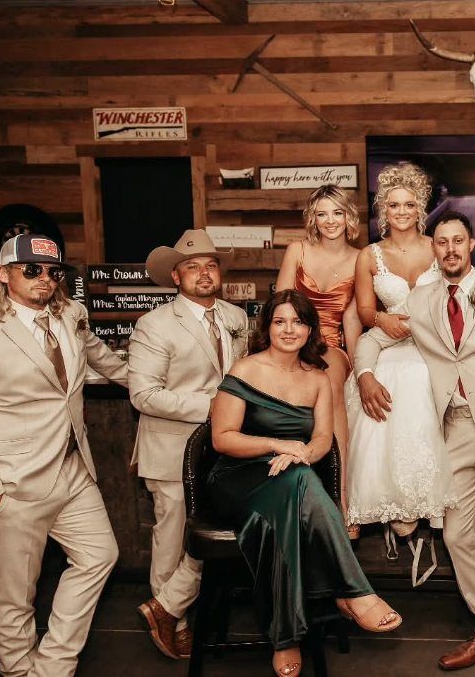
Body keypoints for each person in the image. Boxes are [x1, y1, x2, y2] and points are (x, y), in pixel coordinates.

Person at [355, 213, 475, 677]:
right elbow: (372, 338)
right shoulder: (421, 301)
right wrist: (363, 376)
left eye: (459, 240)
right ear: (433, 249)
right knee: (458, 535)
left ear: (472, 244)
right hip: (452, 429)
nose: (451, 249)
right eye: (443, 242)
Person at [208, 290, 402, 677]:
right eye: (279, 321)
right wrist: (276, 444)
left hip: (290, 473)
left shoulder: (318, 379)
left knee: (295, 485)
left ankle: (286, 637)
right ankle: (352, 591)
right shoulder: (245, 370)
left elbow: (321, 442)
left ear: (310, 329)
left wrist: (298, 455)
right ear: (267, 327)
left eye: (297, 321)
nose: (288, 329)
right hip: (238, 476)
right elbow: (222, 438)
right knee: (299, 481)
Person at [0, 234, 128, 677]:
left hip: (74, 468)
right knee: (15, 592)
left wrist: (149, 383)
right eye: (31, 270)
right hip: (13, 481)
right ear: (3, 274)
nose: (45, 280)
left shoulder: (72, 314)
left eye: (53, 272)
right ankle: (17, 671)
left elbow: (100, 357)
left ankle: (53, 665)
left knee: (99, 556)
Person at [129, 229, 249, 659]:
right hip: (171, 450)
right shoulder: (154, 324)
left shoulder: (237, 318)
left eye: (211, 264)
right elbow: (143, 394)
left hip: (224, 451)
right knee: (173, 535)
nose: (204, 273)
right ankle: (173, 621)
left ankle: (166, 606)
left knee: (216, 531)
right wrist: (216, 407)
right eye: (193, 267)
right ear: (176, 277)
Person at [346, 162, 455, 548]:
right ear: (383, 210)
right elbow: (362, 310)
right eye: (394, 205)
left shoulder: (437, 247)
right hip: (389, 341)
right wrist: (381, 318)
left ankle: (422, 501)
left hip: (433, 345)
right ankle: (393, 499)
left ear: (421, 208)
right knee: (390, 379)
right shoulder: (369, 255)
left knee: (424, 378)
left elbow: (461, 281)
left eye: (410, 204)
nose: (403, 211)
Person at [276, 184, 362, 538]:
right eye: (322, 213)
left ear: (348, 217)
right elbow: (280, 305)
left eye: (337, 213)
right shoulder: (297, 250)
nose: (330, 221)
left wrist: (360, 368)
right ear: (313, 218)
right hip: (291, 336)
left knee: (331, 381)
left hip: (330, 342)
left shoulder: (361, 259)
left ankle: (342, 499)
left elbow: (352, 320)